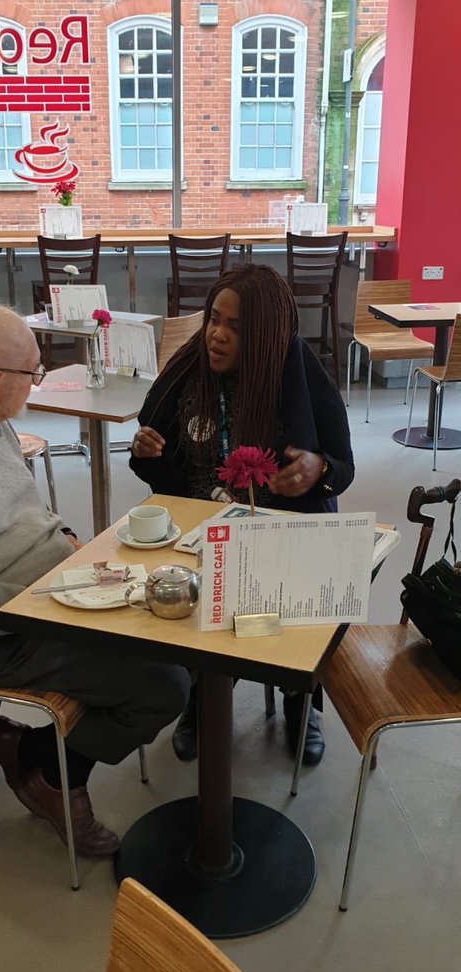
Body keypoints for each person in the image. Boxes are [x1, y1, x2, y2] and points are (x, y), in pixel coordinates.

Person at [0, 301, 189, 857]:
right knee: (163, 685)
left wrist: (69, 547)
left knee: (179, 634)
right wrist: (51, 596)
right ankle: (45, 770)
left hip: (46, 591)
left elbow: (20, 512)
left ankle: (27, 749)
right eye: (33, 373)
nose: (37, 382)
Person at [129, 264, 354, 765]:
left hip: (282, 536)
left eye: (235, 326)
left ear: (266, 335)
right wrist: (152, 455)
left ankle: (300, 701)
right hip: (198, 535)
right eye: (214, 318)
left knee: (288, 612)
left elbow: (343, 465)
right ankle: (199, 698)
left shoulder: (299, 376)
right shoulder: (188, 375)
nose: (216, 334)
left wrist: (319, 469)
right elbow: (164, 475)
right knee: (183, 602)